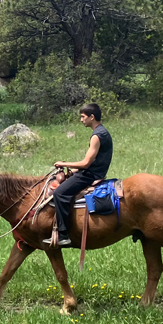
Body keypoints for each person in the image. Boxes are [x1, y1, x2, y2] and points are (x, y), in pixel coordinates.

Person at [50, 103, 113, 247]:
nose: (81, 120)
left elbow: (85, 163)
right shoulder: (103, 132)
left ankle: (63, 235)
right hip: (94, 171)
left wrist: (64, 164)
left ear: (92, 117)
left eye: (83, 117)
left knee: (59, 193)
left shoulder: (97, 136)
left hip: (91, 174)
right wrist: (74, 172)